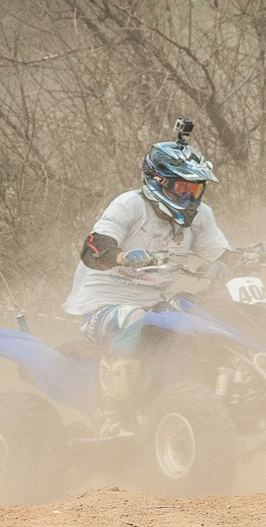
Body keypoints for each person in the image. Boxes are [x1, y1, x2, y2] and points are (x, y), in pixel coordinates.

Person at [61, 121, 228, 435]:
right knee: (137, 319)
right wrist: (123, 256)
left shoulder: (201, 216)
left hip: (156, 303)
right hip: (103, 304)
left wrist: (243, 258)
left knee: (203, 321)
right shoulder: (130, 206)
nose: (191, 197)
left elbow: (218, 253)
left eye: (196, 189)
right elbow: (94, 246)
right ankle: (111, 415)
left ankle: (190, 400)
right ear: (158, 181)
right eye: (182, 188)